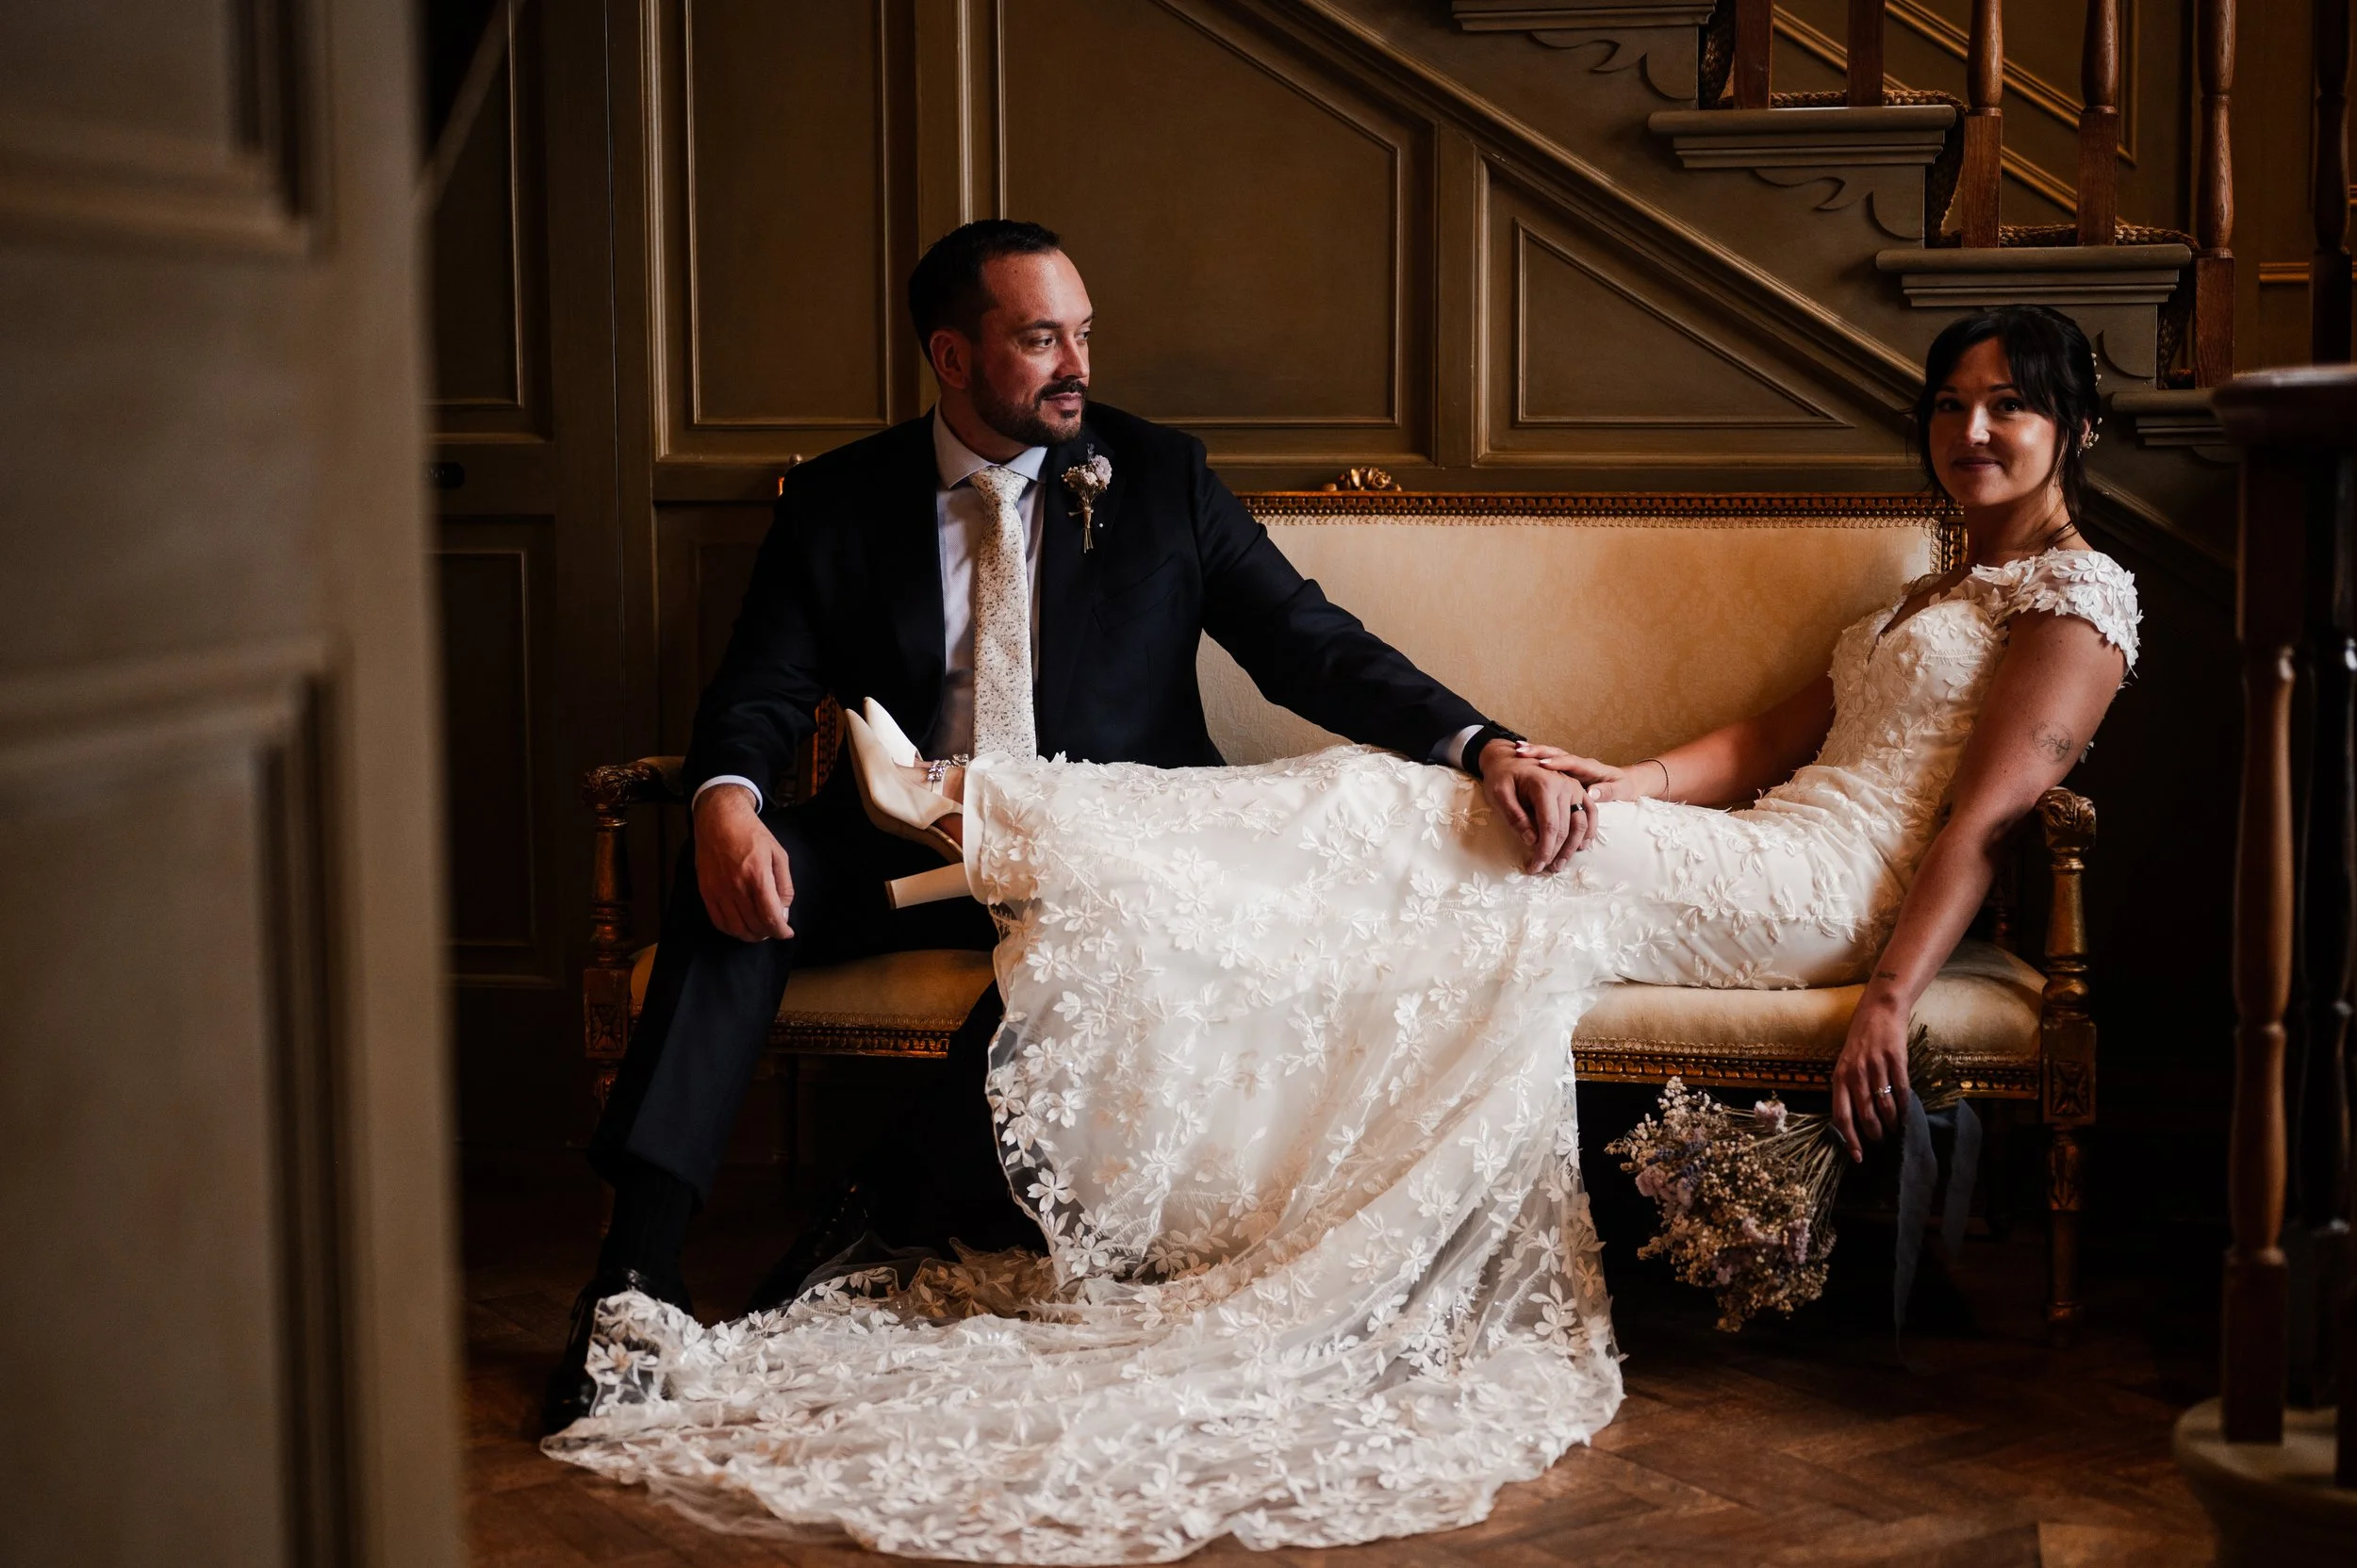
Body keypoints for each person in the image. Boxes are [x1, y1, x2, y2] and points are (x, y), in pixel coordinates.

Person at [544, 305, 2138, 1561]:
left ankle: (984, 816)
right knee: (1417, 834)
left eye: (2008, 405)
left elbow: (1993, 820)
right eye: (1951, 402)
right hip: (1739, 840)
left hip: (1822, 900)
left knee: (1408, 810)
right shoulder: (1917, 596)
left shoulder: (2074, 605)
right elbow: (1759, 739)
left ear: (2068, 426)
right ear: (953, 353)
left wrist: (1888, 998)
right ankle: (674, 1234)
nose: (1973, 430)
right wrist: (1607, 776)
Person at [540, 219, 1586, 1434]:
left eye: (1082, 333)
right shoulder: (839, 499)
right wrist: (727, 804)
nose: (1076, 364)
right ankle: (635, 1273)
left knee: (1085, 959)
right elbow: (766, 687)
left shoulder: (1162, 475)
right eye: (1040, 340)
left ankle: (873, 1220)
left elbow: (1313, 648)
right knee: (723, 896)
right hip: (904, 846)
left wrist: (1484, 742)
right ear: (951, 356)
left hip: (1115, 860)